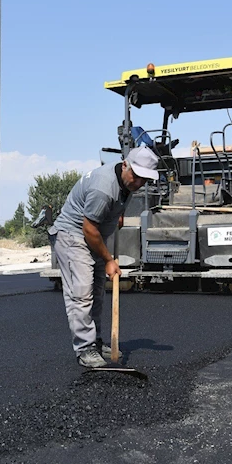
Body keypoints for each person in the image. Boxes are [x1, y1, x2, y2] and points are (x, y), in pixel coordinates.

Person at [49, 146, 160, 368]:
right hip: (73, 235)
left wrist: (116, 215)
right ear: (126, 164)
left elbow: (105, 215)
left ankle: (96, 343)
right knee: (81, 293)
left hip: (94, 235)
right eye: (136, 177)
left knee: (97, 292)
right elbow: (88, 228)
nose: (138, 184)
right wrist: (109, 260)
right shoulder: (104, 187)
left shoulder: (126, 182)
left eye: (145, 180)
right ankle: (85, 349)